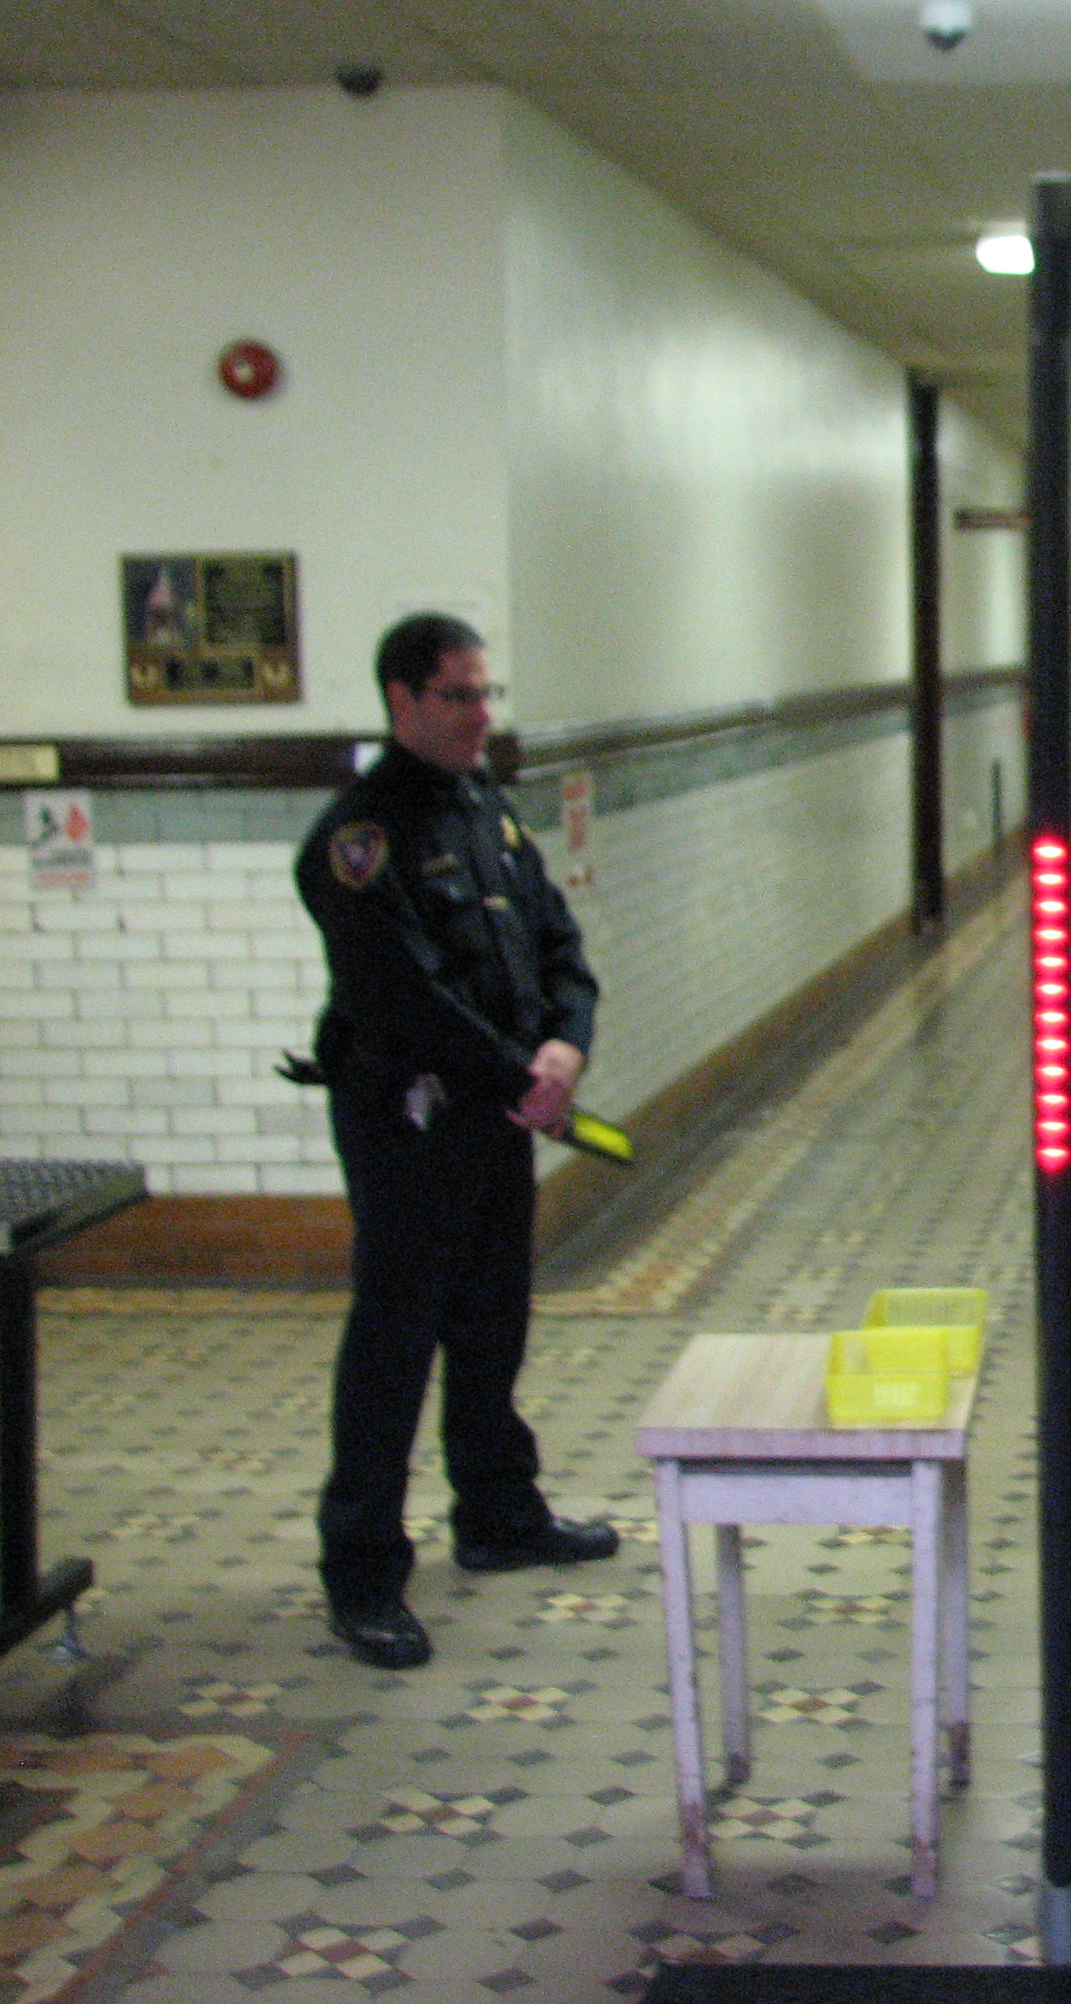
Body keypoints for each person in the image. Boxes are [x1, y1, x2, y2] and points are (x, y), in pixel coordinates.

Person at [294, 613, 617, 1669]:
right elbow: (401, 996)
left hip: (500, 1113)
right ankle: (363, 1572)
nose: (483, 716)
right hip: (413, 1121)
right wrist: (519, 1076)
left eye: (488, 694)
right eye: (459, 696)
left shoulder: (489, 813)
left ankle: (497, 1515)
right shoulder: (358, 841)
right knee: (395, 1341)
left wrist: (565, 1048)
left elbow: (559, 948)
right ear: (401, 701)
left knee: (491, 1322)